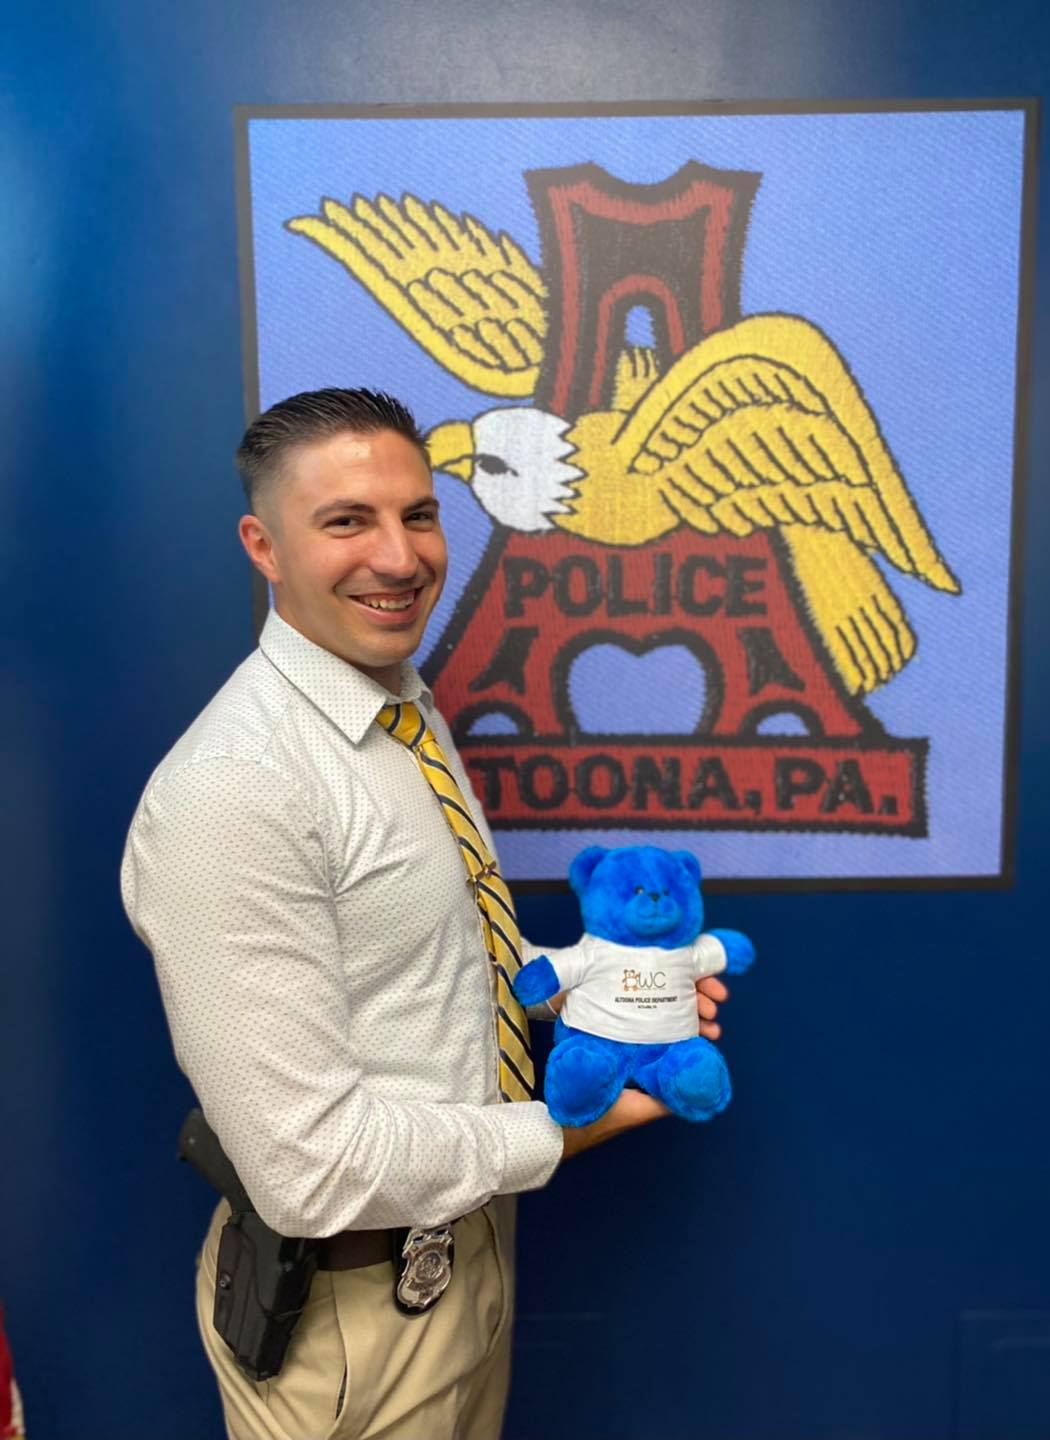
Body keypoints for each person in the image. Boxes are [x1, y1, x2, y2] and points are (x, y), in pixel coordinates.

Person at [121, 388, 729, 1440]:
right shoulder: (235, 788)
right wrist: (579, 1126)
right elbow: (310, 1171)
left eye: (419, 514)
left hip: (459, 1258)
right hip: (347, 1321)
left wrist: (609, 1004)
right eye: (347, 521)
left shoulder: (399, 703)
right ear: (262, 546)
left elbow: (419, 973)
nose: (400, 559)